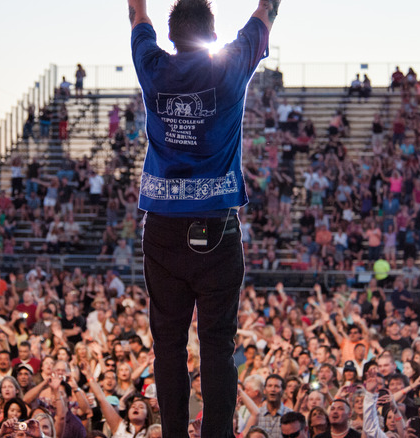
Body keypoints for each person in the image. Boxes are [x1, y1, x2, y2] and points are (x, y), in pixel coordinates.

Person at [128, 0, 278, 436]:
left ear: (171, 37)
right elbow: (266, 12)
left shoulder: (152, 67)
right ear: (213, 36)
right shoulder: (230, 67)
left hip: (162, 229)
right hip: (217, 228)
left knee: (168, 346)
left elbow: (138, 17)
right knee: (218, 345)